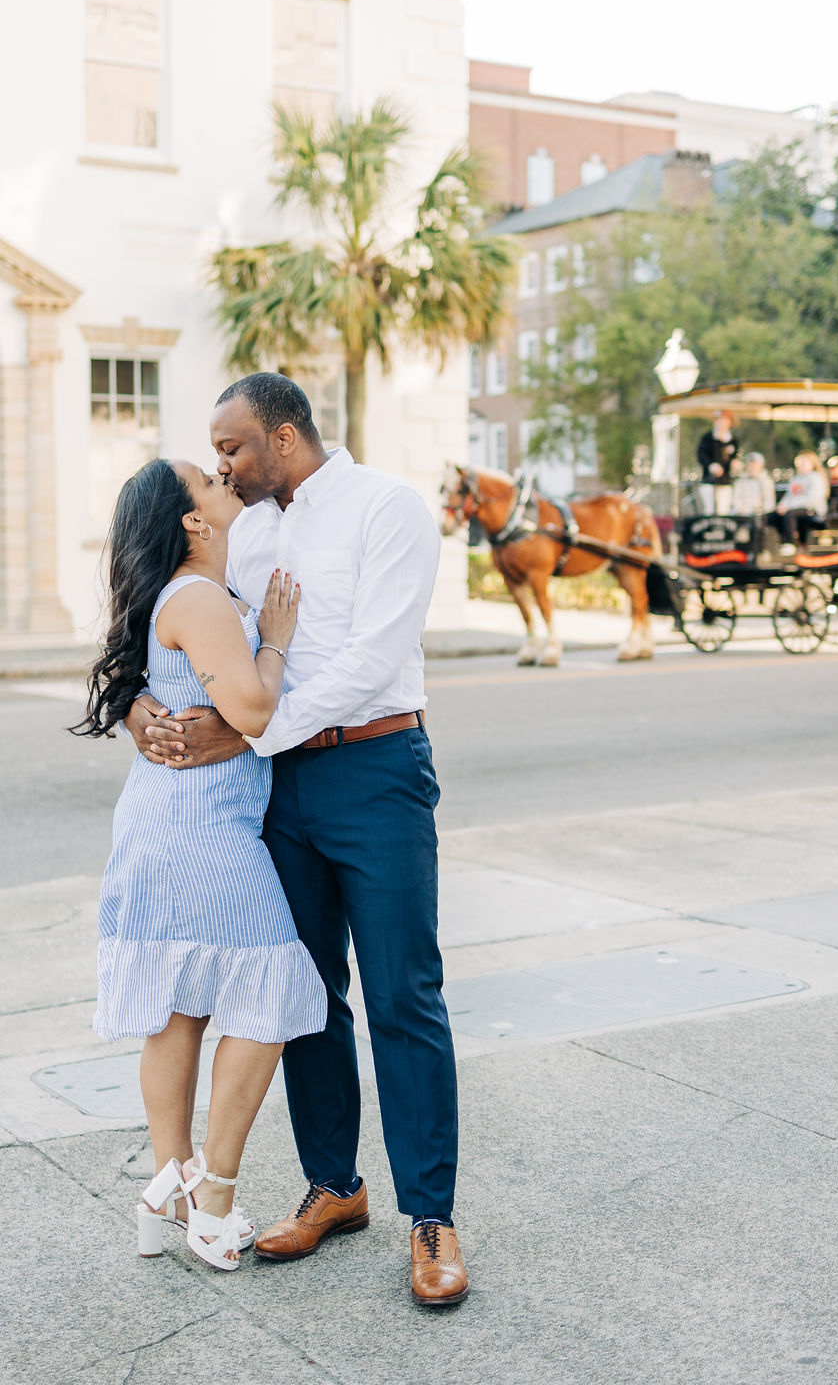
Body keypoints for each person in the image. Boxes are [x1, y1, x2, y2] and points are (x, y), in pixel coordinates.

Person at [125, 374, 468, 1307]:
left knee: (404, 993)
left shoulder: (386, 507)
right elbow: (179, 622)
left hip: (377, 768)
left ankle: (430, 1217)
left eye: (231, 447)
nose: (223, 467)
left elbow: (372, 654)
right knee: (305, 994)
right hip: (275, 791)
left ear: (283, 436)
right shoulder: (246, 531)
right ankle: (335, 1187)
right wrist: (141, 706)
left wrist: (245, 730)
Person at [72, 458, 327, 1273]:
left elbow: (176, 690)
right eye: (210, 482)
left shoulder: (182, 597)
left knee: (178, 1004)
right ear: (194, 521)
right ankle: (212, 1194)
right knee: (272, 988)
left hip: (165, 822)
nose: (225, 479)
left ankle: (167, 1187)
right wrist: (277, 643)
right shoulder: (201, 597)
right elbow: (252, 710)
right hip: (201, 831)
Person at [769, 450, 828, 553]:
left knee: (790, 514)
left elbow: (812, 500)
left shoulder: (816, 478)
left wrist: (789, 506)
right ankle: (774, 543)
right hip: (794, 509)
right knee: (773, 516)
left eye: (803, 462)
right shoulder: (796, 479)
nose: (799, 465)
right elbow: (789, 496)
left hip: (812, 510)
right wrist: (782, 505)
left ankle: (790, 543)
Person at [697, 410, 740, 514]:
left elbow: (735, 456)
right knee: (709, 509)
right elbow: (701, 455)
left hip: (725, 481)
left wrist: (734, 463)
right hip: (709, 480)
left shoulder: (733, 440)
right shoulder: (707, 438)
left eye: (725, 420)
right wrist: (711, 466)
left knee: (723, 510)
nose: (722, 423)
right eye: (719, 420)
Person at [731, 451, 776, 516]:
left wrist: (762, 511)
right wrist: (739, 510)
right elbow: (736, 500)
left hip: (760, 515)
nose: (752, 466)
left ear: (761, 465)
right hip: (742, 514)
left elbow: (769, 502)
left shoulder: (766, 481)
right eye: (750, 464)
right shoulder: (740, 481)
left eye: (755, 464)